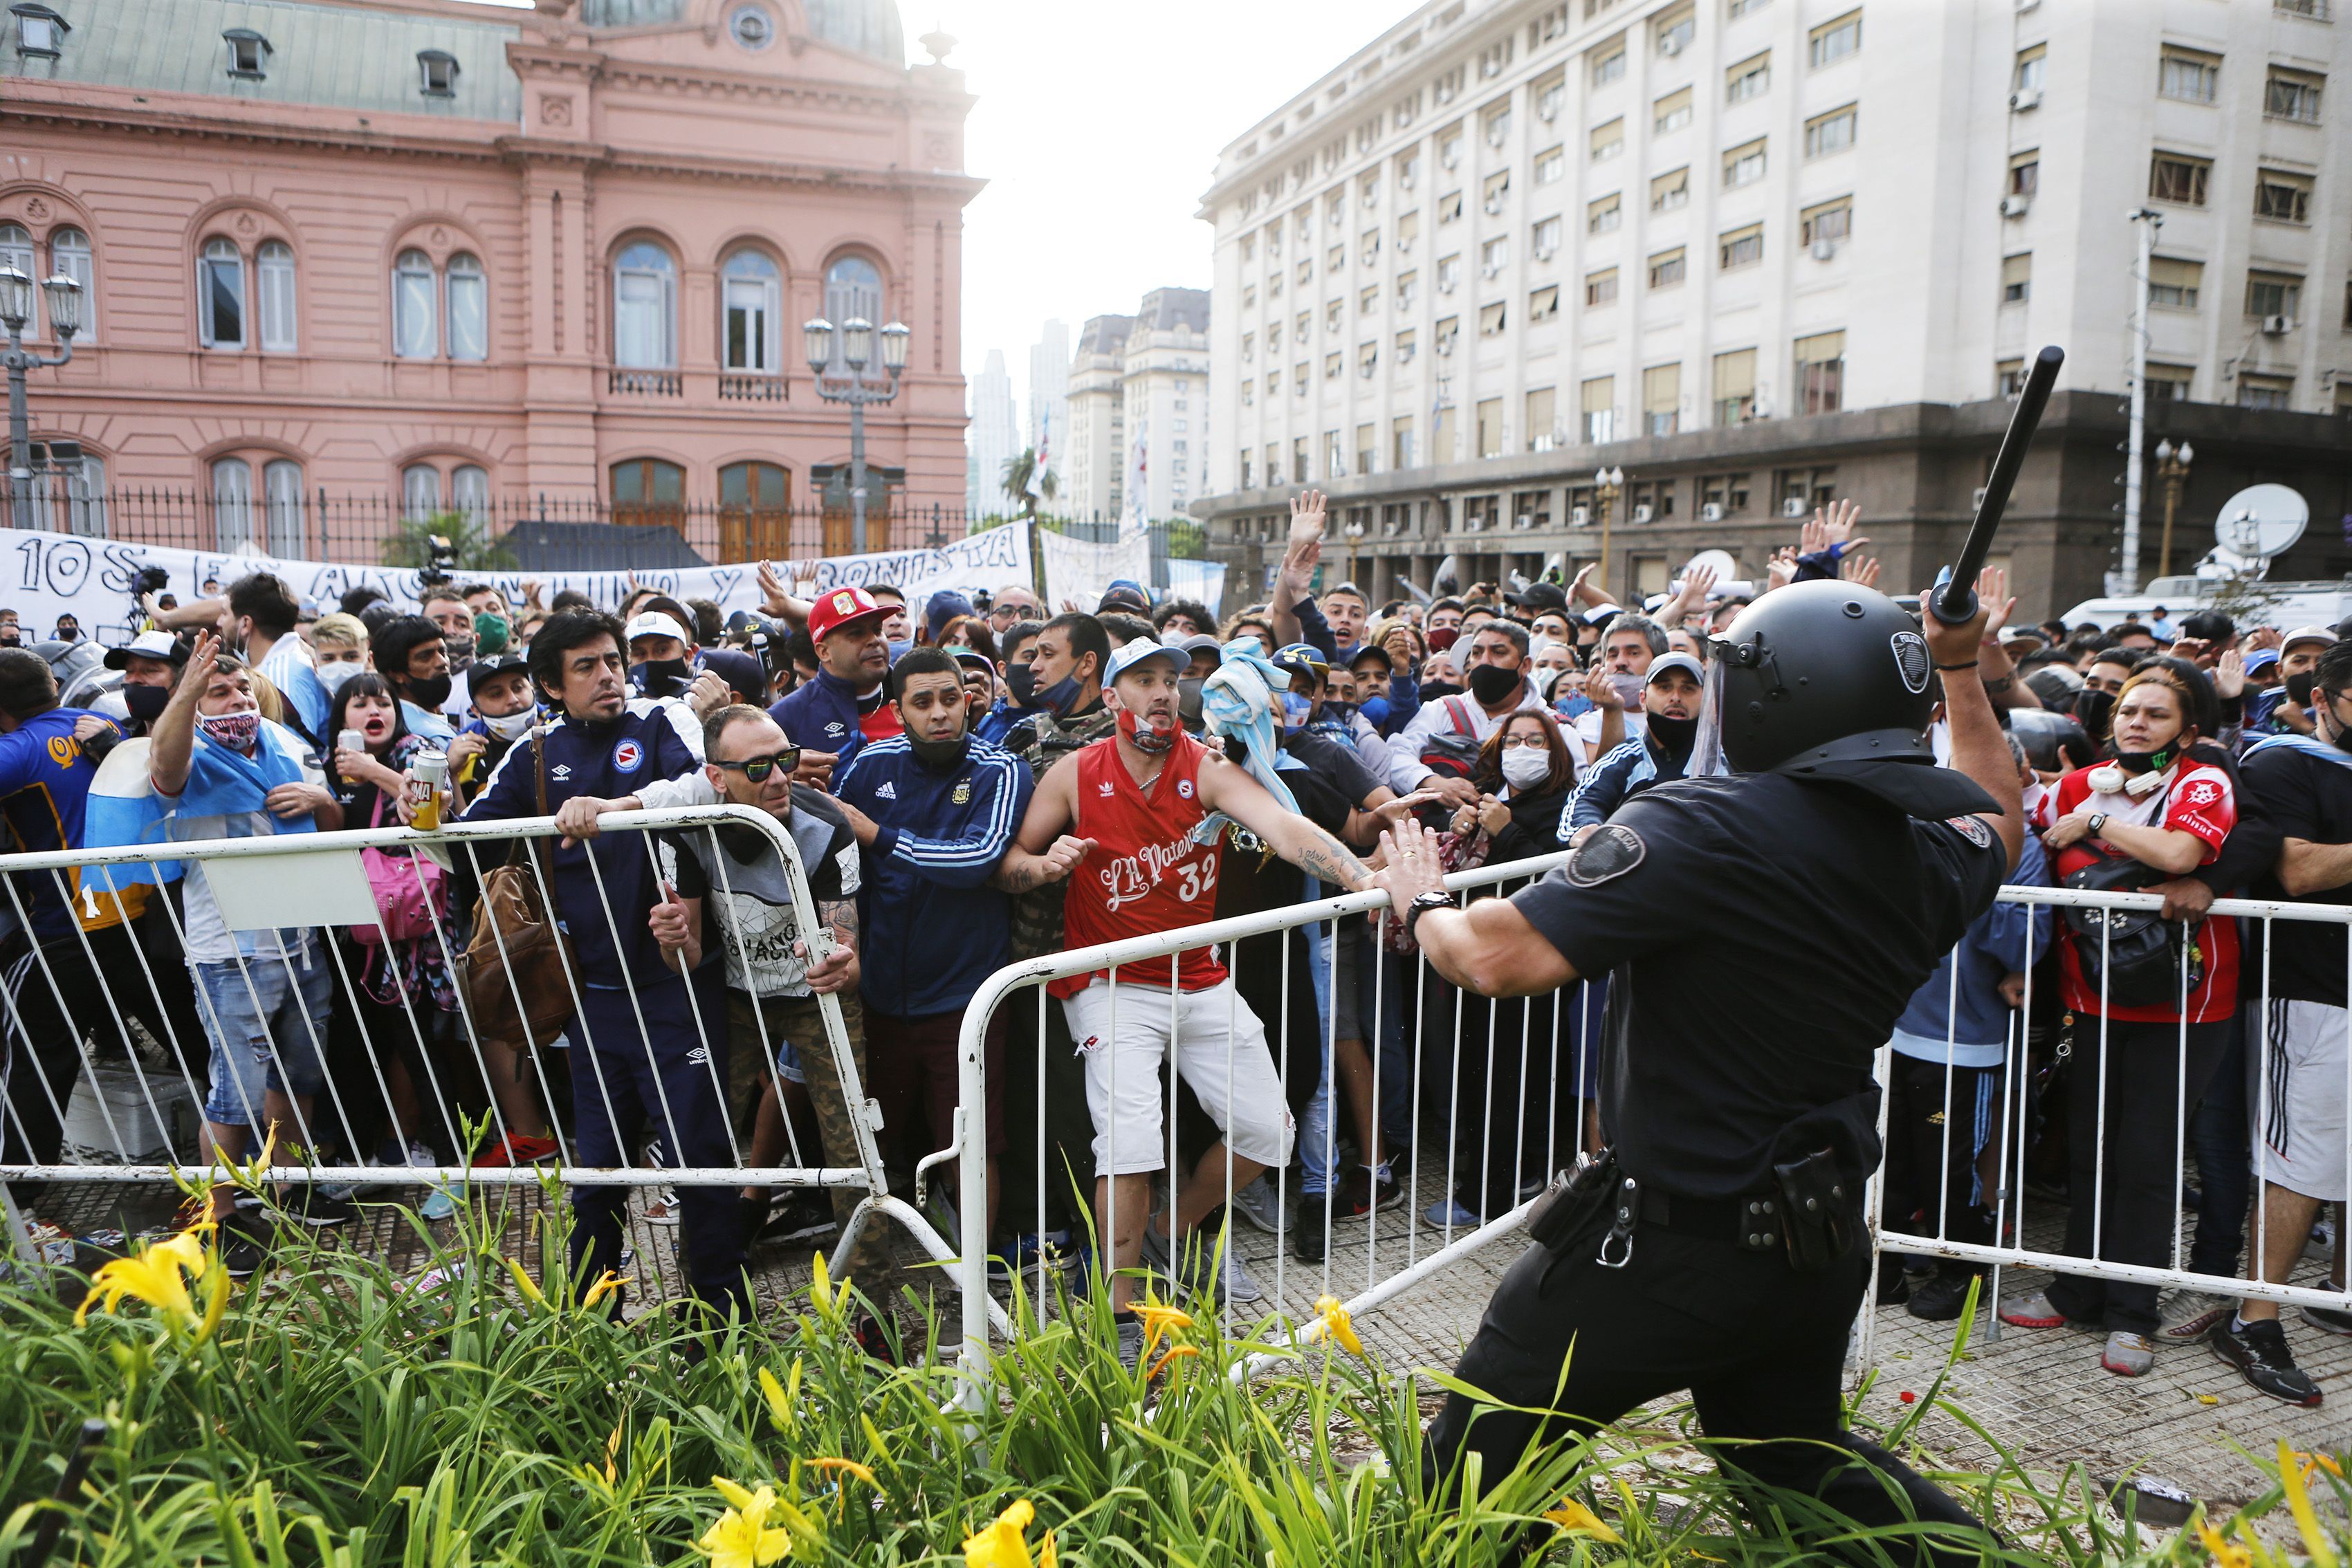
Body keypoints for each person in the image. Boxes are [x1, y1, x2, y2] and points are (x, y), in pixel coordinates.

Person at [1380, 573, 2021, 1565]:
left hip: (1669, 1244)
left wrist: (1423, 901)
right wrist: (1960, 665)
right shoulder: (1927, 852)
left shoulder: (1704, 825)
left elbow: (1496, 957)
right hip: (1812, 1244)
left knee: (1466, 1481)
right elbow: (1998, 812)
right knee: (1794, 1466)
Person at [996, 634, 1375, 1346]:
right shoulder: (1075, 772)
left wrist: (1363, 878)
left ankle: (1171, 1229)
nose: (1165, 690)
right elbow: (1012, 860)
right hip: (1109, 980)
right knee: (1131, 1142)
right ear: (1111, 697)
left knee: (1270, 1131)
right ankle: (1121, 1310)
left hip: (1197, 973)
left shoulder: (1205, 767)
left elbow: (1285, 828)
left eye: (1171, 677)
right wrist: (1045, 866)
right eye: (1144, 678)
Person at [459, 609, 747, 1326]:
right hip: (590, 996)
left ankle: (718, 1325)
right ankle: (592, 1325)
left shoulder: (661, 722)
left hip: (678, 985)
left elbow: (715, 790)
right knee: (596, 1175)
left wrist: (620, 806)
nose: (608, 675)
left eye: (612, 660)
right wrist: (421, 810)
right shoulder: (532, 749)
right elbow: (471, 839)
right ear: (551, 684)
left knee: (702, 1164)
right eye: (586, 666)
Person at [2001, 661, 2239, 1376]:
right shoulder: (2073, 782)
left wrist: (2098, 823)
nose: (2137, 721)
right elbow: (2023, 828)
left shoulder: (2201, 780)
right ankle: (2076, 1290)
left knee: (2145, 1157)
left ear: (2187, 730)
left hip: (2184, 1004)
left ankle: (2133, 1313)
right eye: (2129, 710)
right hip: (2091, 995)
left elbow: (2181, 852)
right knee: (2089, 1148)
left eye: (2157, 714)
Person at [649, 704, 895, 1324]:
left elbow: (850, 954)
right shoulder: (690, 825)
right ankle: (706, 1298)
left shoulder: (824, 825)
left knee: (853, 1151)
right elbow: (691, 955)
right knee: (707, 1144)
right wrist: (671, 938)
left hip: (819, 1002)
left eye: (785, 759)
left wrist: (841, 965)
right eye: (758, 767)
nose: (780, 777)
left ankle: (870, 1312)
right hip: (737, 1000)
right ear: (717, 776)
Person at [833, 648, 1034, 1271]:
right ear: (897, 711)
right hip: (881, 997)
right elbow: (831, 843)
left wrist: (881, 836)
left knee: (971, 1146)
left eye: (951, 697)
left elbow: (977, 860)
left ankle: (974, 1277)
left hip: (964, 999)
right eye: (923, 702)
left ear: (968, 697)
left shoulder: (1001, 769)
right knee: (882, 1140)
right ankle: (881, 1273)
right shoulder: (869, 764)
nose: (941, 713)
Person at [149, 634, 349, 1259]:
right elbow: (166, 769)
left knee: (297, 1074)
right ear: (193, 704)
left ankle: (290, 1188)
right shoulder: (189, 747)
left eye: (241, 687)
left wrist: (322, 800)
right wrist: (183, 693)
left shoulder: (286, 742)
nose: (237, 697)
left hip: (299, 932)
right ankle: (218, 1217)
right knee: (234, 1089)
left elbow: (334, 821)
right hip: (230, 948)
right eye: (218, 691)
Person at [2214, 637, 2352, 1404]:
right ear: (2324, 700)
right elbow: (2296, 868)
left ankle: (2337, 1289)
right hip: (2314, 989)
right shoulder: (2280, 761)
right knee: (2299, 1159)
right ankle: (2253, 1314)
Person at [1880, 731, 2053, 1324]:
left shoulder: (2020, 846)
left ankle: (1966, 1270)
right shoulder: (1915, 826)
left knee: (1951, 1167)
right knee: (1893, 1159)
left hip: (1967, 1041)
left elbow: (2025, 942)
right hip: (1896, 1030)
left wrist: (1988, 879)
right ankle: (1891, 1264)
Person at [1388, 618, 1547, 806]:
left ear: (1525, 665)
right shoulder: (1442, 709)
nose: (1484, 661)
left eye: (1498, 652)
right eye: (1477, 653)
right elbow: (1398, 754)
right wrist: (1434, 783)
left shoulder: (1551, 723)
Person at [1563, 651, 1705, 840]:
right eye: (1664, 687)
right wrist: (1587, 829)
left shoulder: (1722, 757)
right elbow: (1584, 802)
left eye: (1688, 689)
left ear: (1707, 699)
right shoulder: (1624, 757)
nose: (1676, 697)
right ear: (1643, 699)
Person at [769, 586, 897, 783]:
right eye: (856, 633)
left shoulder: (916, 696)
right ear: (823, 652)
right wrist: (784, 772)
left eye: (877, 630)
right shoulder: (785, 718)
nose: (873, 640)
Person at [369, 616, 458, 743]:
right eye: (425, 657)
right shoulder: (418, 737)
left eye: (442, 652)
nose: (442, 662)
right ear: (396, 674)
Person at [976, 620, 1045, 744]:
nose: (1038, 666)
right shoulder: (980, 726)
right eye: (1031, 657)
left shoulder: (1061, 726)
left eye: (1048, 656)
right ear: (1003, 669)